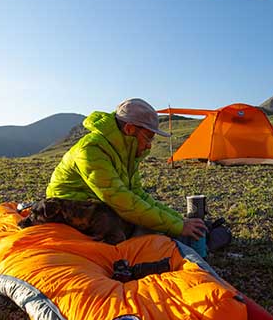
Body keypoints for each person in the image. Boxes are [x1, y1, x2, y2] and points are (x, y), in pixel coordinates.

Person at [46, 98, 208, 253]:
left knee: (138, 220)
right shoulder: (91, 150)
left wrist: (179, 221)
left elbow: (138, 195)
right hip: (65, 207)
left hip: (96, 202)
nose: (149, 145)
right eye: (148, 137)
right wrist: (178, 227)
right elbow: (123, 201)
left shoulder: (126, 153)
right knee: (116, 222)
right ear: (130, 129)